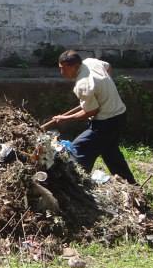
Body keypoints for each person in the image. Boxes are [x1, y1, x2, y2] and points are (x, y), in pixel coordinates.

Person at [42, 50, 137, 184]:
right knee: (110, 153)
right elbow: (108, 67)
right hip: (120, 115)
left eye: (63, 68)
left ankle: (79, 183)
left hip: (106, 123)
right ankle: (131, 184)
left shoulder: (83, 84)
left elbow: (90, 111)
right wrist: (101, 90)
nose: (61, 72)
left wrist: (65, 119)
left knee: (78, 148)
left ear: (74, 66)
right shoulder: (90, 62)